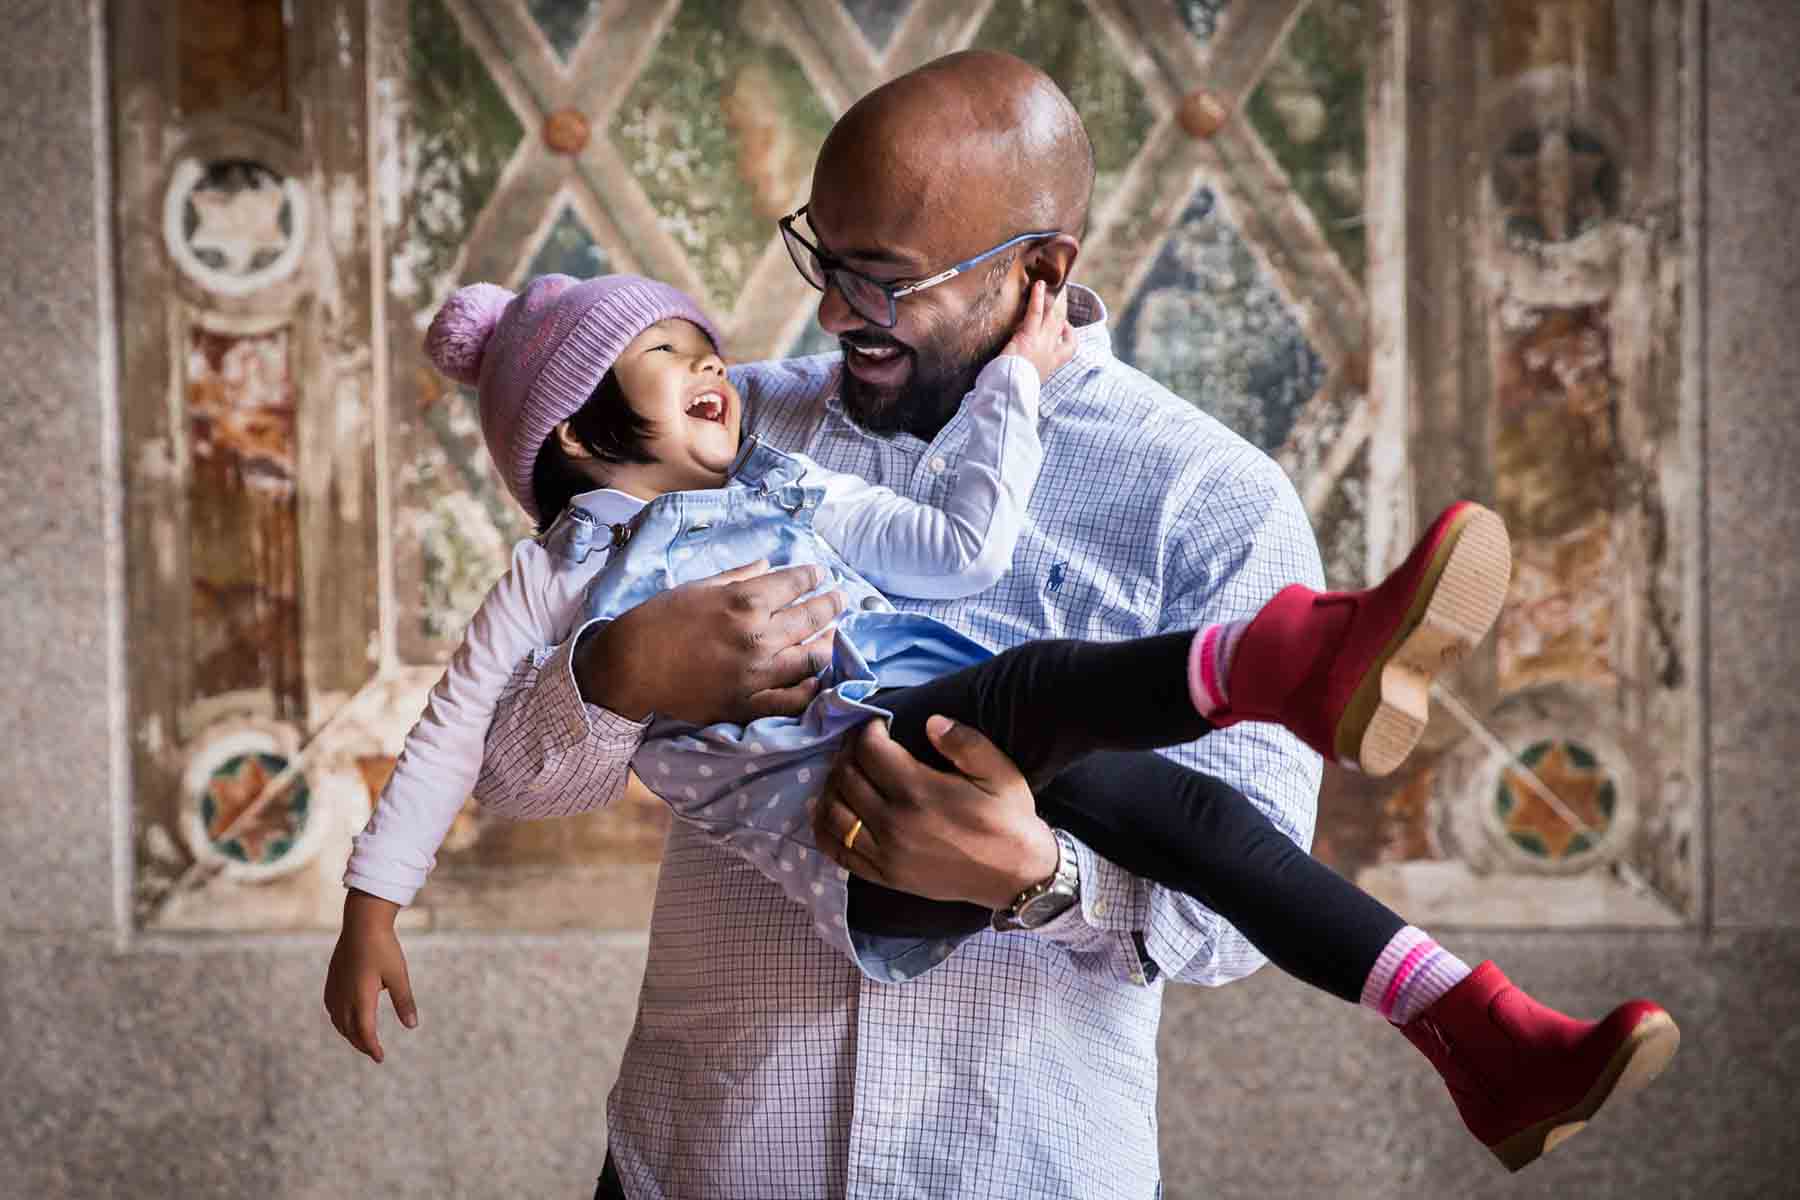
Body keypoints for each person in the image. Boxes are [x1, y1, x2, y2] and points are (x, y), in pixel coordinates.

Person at [336, 51, 1672, 1197]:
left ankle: (1474, 1021)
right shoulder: (723, 437)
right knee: (1039, 693)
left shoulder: (1206, 499)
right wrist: (619, 672)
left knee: (1123, 768)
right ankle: (1298, 657)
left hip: (1021, 1168)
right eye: (824, 256)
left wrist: (1037, 883)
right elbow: (499, 766)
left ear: (1039, 267)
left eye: (883, 278)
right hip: (707, 1160)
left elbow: (1221, 920)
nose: (833, 310)